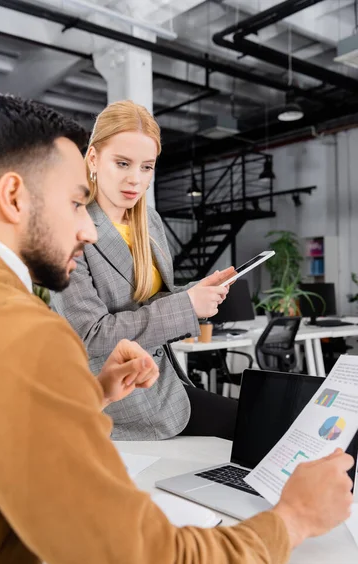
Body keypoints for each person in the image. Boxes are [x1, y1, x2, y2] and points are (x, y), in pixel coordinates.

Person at [0, 91, 354, 564]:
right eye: (77, 202)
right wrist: (293, 519)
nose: (86, 228)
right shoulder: (21, 330)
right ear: (14, 197)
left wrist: (86, 397)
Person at [51, 100, 239, 441]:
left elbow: (150, 302)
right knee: (250, 425)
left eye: (146, 167)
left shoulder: (149, 222)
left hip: (166, 381)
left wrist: (195, 291)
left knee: (258, 421)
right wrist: (187, 306)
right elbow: (93, 337)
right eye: (122, 163)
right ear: (93, 158)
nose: (135, 180)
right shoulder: (69, 229)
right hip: (119, 401)